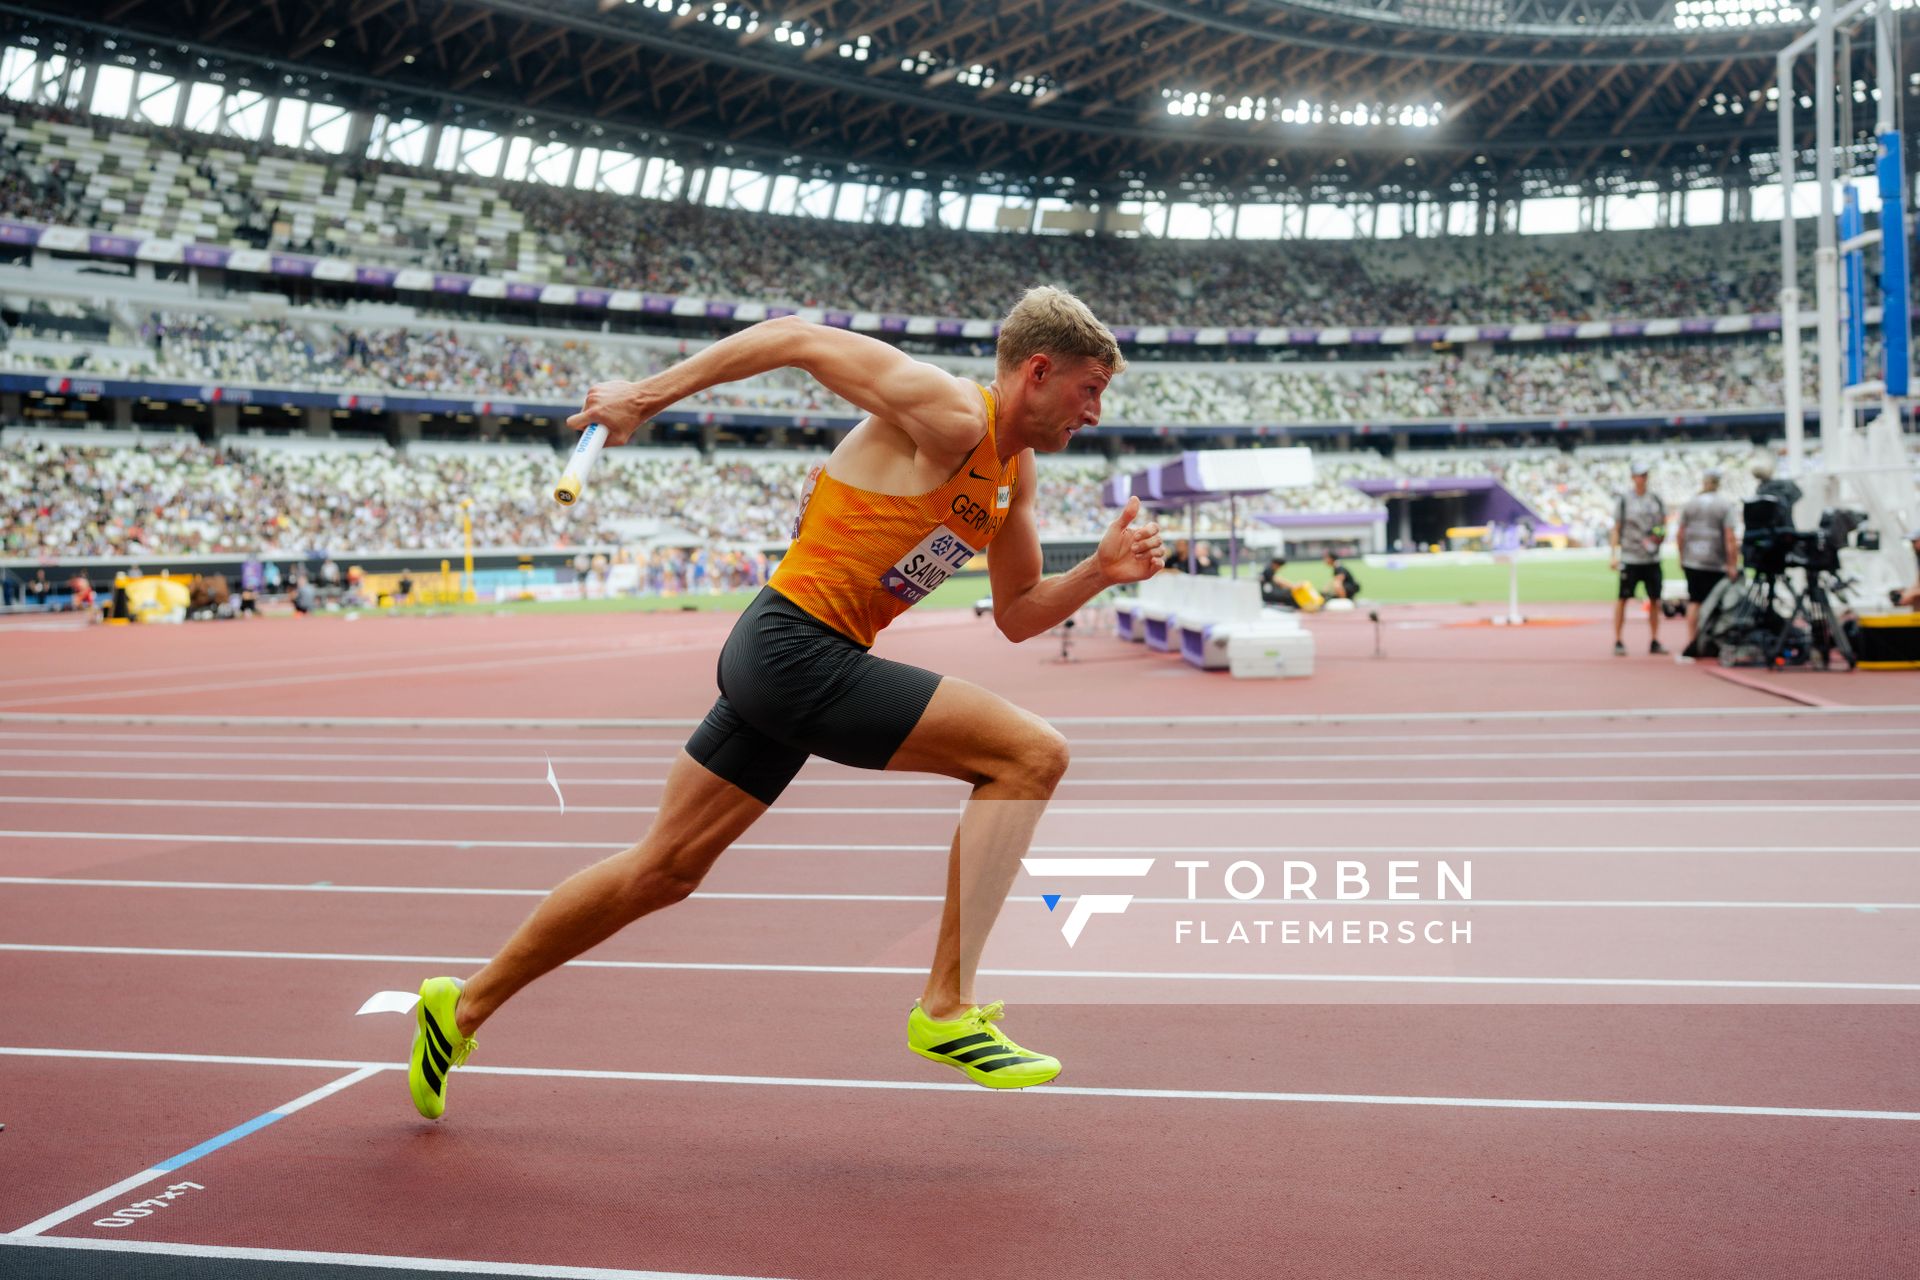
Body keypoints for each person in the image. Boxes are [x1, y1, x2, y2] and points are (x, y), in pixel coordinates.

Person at [403, 286, 1164, 1120]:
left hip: (800, 659)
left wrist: (1098, 571)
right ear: (1040, 372)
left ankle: (462, 1006)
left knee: (665, 868)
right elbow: (797, 338)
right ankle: (945, 1007)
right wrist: (640, 400)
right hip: (793, 647)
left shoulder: (1012, 473)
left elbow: (1018, 615)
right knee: (1031, 754)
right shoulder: (951, 414)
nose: (1095, 411)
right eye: (1090, 388)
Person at [1675, 468, 1739, 653]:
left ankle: (1693, 641)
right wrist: (1732, 564)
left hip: (1692, 560)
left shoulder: (1690, 504)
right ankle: (1712, 641)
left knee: (1694, 601)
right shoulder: (1725, 505)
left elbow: (1680, 534)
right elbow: (1730, 538)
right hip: (1715, 562)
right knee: (1717, 603)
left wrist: (1681, 556)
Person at [1610, 460, 1667, 657]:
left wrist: (1658, 537)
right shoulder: (1624, 500)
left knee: (1654, 600)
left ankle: (1654, 640)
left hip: (1651, 559)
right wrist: (1614, 555)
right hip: (1630, 557)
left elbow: (1663, 525)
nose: (1642, 478)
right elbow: (1616, 529)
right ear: (1633, 477)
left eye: (1645, 475)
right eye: (1639, 475)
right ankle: (1618, 640)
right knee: (1622, 599)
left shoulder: (1656, 499)